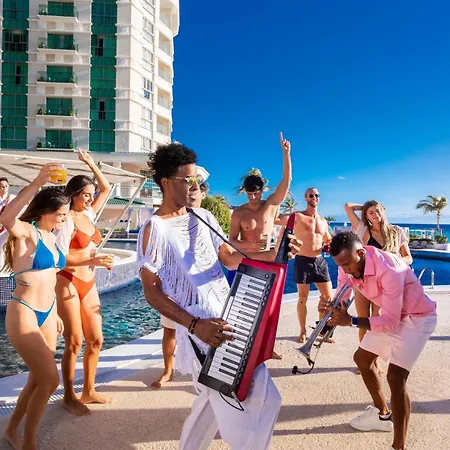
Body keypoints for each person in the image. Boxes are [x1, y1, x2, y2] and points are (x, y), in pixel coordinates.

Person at [138, 143, 301, 450]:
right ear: (166, 182)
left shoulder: (203, 217)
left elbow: (228, 258)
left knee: (211, 402)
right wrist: (194, 325)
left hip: (228, 315)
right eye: (188, 179)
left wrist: (273, 255)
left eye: (196, 179)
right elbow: (151, 291)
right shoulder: (154, 229)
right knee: (260, 401)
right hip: (203, 332)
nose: (195, 186)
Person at [320, 231, 437, 450]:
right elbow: (342, 296)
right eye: (341, 266)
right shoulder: (346, 264)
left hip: (417, 318)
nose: (346, 270)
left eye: (348, 264)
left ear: (361, 253)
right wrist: (330, 307)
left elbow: (390, 323)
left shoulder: (389, 269)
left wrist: (351, 321)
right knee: (362, 359)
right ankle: (383, 415)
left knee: (396, 377)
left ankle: (399, 446)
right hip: (392, 315)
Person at [0, 165, 70, 450]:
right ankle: (29, 442)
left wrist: (55, 314)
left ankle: (11, 430)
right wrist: (37, 182)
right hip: (24, 311)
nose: (64, 219)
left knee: (36, 380)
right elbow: (7, 218)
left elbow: (50, 279)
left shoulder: (52, 238)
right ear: (46, 211)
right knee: (50, 381)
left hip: (48, 312)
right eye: (61, 214)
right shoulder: (28, 232)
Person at [55, 150, 113, 416]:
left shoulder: (89, 214)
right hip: (67, 280)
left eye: (91, 194)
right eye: (86, 194)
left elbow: (106, 188)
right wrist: (94, 260)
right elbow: (59, 258)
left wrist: (90, 163)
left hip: (88, 283)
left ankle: (89, 390)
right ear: (74, 194)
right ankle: (69, 396)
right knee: (74, 342)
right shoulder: (65, 219)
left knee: (96, 340)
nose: (90, 198)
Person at [149, 181, 209, 389]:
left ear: (203, 195)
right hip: (173, 287)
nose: (190, 194)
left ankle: (206, 372)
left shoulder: (206, 220)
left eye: (195, 191)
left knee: (206, 333)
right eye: (188, 189)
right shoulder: (165, 221)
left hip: (201, 289)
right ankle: (168, 370)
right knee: (169, 330)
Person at [342, 201, 413, 373]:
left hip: (385, 284)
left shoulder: (396, 231)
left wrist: (393, 260)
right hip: (364, 282)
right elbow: (348, 207)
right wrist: (367, 206)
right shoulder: (363, 230)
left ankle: (375, 361)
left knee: (376, 322)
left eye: (378, 211)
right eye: (371, 212)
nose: (375, 215)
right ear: (366, 215)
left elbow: (408, 258)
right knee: (363, 320)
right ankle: (364, 363)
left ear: (383, 211)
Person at [280, 187, 332, 343]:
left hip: (319, 261)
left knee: (327, 298)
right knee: (302, 298)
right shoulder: (297, 216)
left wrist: (334, 244)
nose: (314, 197)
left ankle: (320, 331)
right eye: (311, 195)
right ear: (305, 198)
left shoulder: (323, 221)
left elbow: (327, 239)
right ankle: (302, 331)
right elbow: (275, 219)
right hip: (302, 260)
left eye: (317, 195)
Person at [229, 132, 292, 257]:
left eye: (256, 193)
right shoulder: (239, 213)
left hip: (265, 259)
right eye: (249, 194)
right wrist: (251, 245)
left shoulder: (270, 206)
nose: (253, 197)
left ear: (262, 191)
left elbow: (286, 180)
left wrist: (286, 153)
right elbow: (232, 241)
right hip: (245, 259)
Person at [0, 178, 16, 270]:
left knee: (6, 247)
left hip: (8, 227)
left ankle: (6, 267)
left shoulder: (12, 198)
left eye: (6, 186)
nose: (4, 188)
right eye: (2, 186)